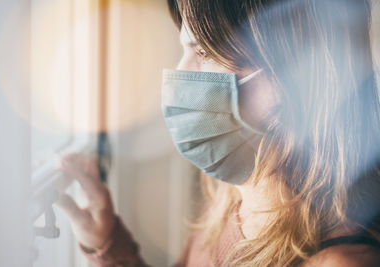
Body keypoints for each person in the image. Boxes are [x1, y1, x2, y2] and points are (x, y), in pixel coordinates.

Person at [56, 0, 380, 266]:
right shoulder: (231, 194)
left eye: (203, 53)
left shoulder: (338, 261)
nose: (180, 74)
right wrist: (107, 241)